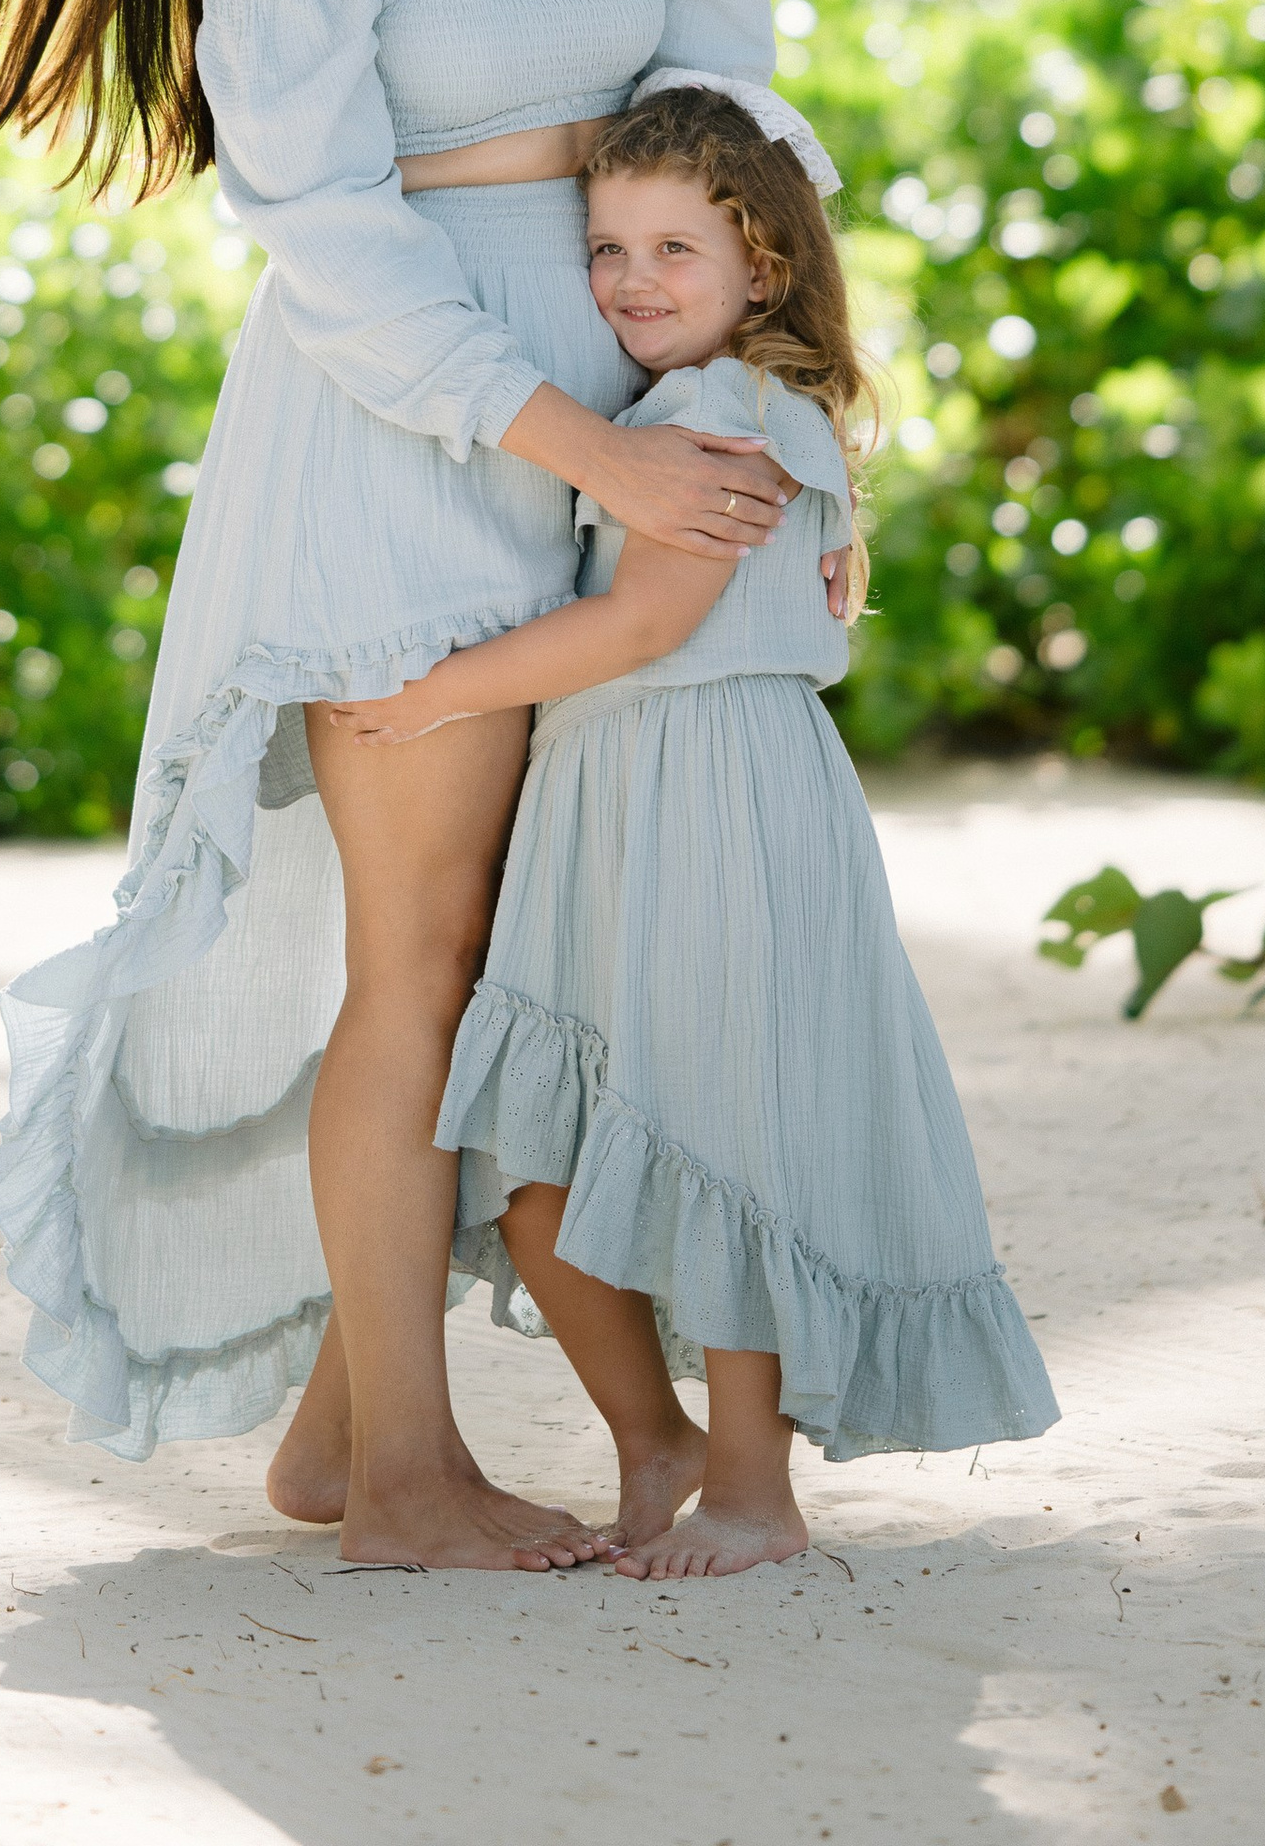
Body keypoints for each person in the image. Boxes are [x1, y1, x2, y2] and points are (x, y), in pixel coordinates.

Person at [0, 0, 806, 1570]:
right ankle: (403, 1479)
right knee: (418, 955)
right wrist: (590, 452)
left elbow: (744, 130)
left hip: (633, 413)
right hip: (401, 437)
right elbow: (327, 247)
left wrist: (769, 429)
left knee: (525, 945)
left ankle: (338, 1434)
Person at [330, 85, 1059, 1575]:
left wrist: (432, 693)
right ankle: (654, 1440)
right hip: (618, 808)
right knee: (538, 1172)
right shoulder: (672, 411)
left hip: (715, 797)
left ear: (764, 270)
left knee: (729, 1136)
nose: (632, 278)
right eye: (607, 245)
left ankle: (753, 1490)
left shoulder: (724, 409)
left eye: (676, 245)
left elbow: (647, 618)